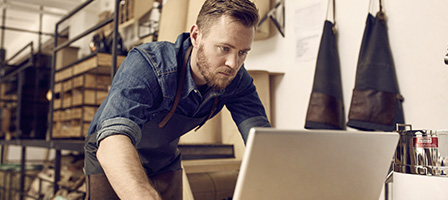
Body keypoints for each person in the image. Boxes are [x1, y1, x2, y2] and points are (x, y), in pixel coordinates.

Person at [84, 0, 271, 199]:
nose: (233, 64)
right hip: (111, 154)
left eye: (242, 53)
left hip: (163, 159)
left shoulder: (236, 78)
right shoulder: (148, 64)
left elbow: (261, 142)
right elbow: (113, 140)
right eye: (224, 48)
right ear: (196, 36)